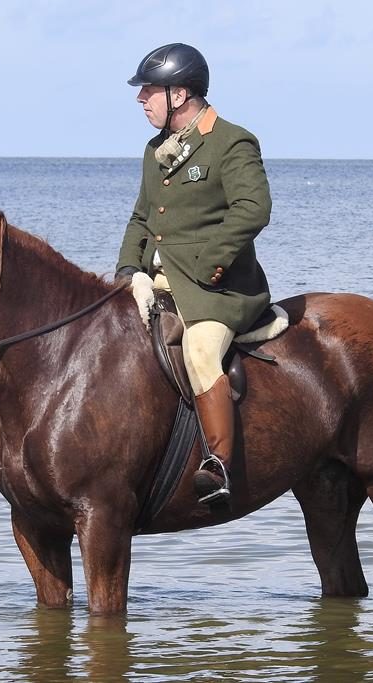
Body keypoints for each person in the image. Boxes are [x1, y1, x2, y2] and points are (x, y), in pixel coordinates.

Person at [116, 43, 272, 505]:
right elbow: (143, 218)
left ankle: (218, 465)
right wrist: (128, 270)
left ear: (179, 94)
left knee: (201, 351)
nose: (140, 99)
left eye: (149, 90)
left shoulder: (232, 142)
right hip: (159, 283)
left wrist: (208, 264)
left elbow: (253, 208)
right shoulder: (155, 150)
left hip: (215, 289)